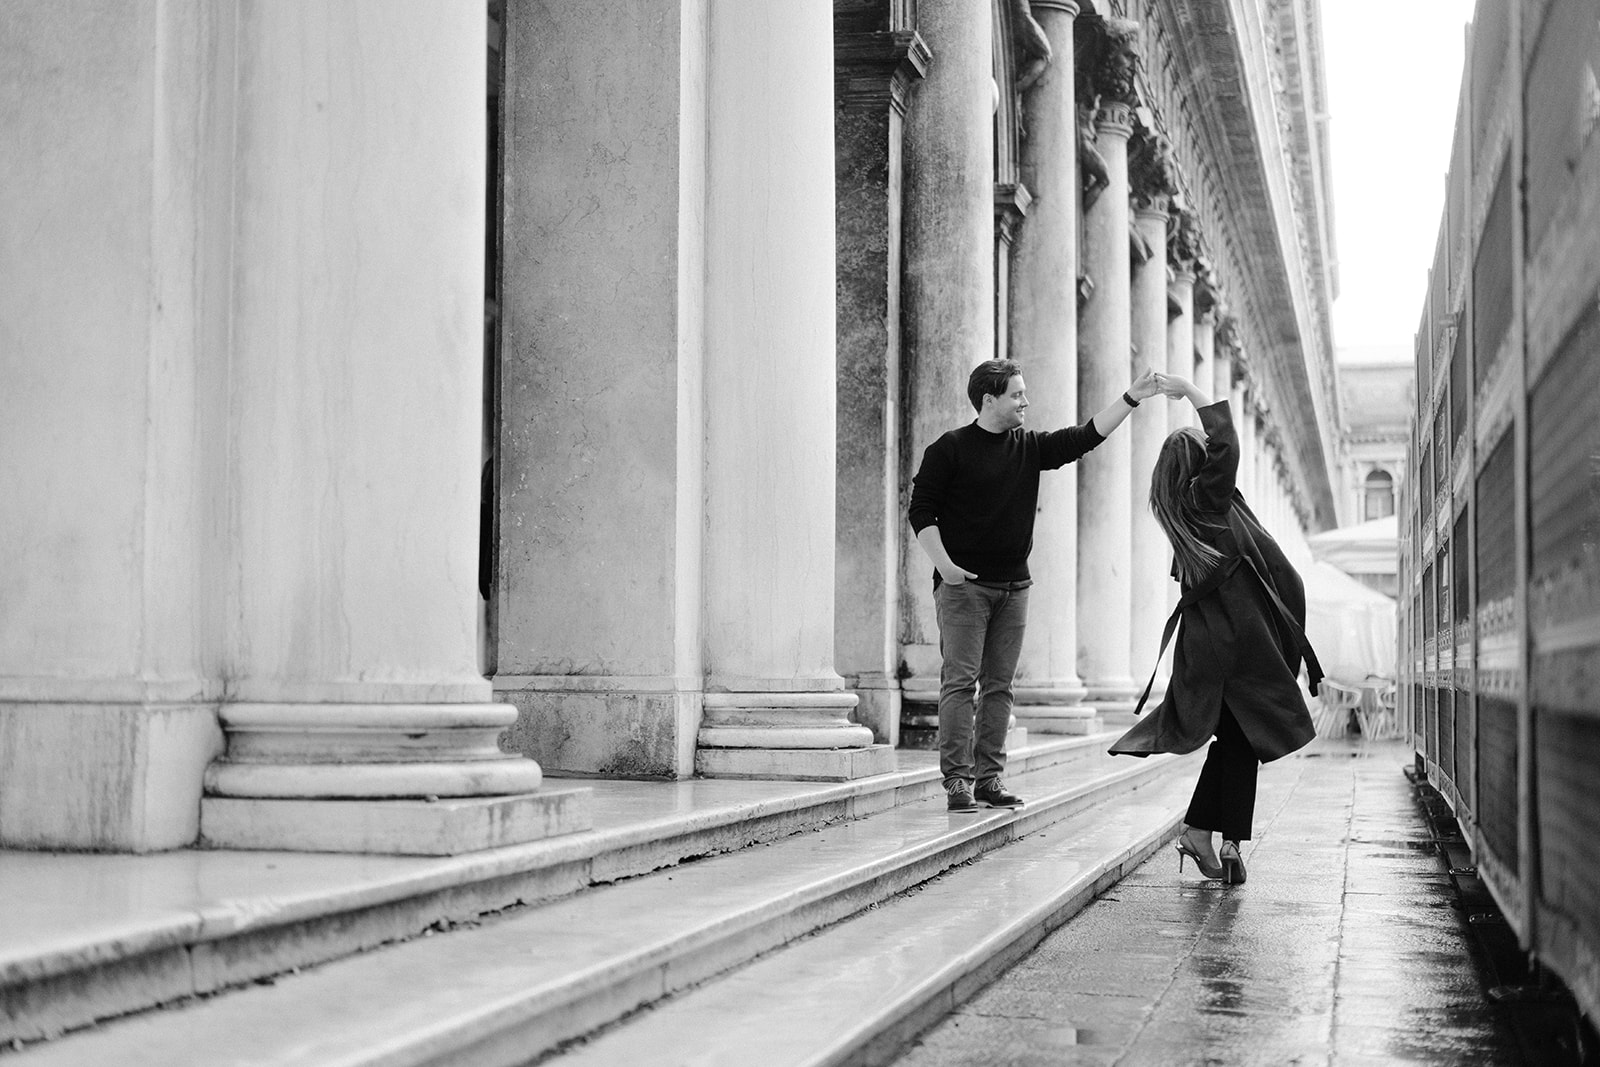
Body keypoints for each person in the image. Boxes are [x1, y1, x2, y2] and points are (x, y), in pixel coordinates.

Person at [910, 359, 1163, 813]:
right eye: (1017, 394)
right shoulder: (949, 448)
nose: (1026, 400)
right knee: (960, 683)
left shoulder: (1029, 448)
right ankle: (957, 782)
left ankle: (989, 779)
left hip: (1014, 588)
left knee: (1000, 687)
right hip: (964, 587)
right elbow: (921, 511)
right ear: (989, 400)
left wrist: (1131, 398)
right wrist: (946, 567)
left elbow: (1085, 436)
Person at [1109, 375, 1322, 884]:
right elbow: (1227, 438)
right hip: (1237, 644)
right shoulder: (1207, 500)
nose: (1215, 454)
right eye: (1207, 453)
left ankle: (1214, 837)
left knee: (1237, 742)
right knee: (1242, 739)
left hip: (1212, 645)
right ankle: (1214, 836)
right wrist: (1186, 387)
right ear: (1201, 466)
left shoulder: (1186, 508)